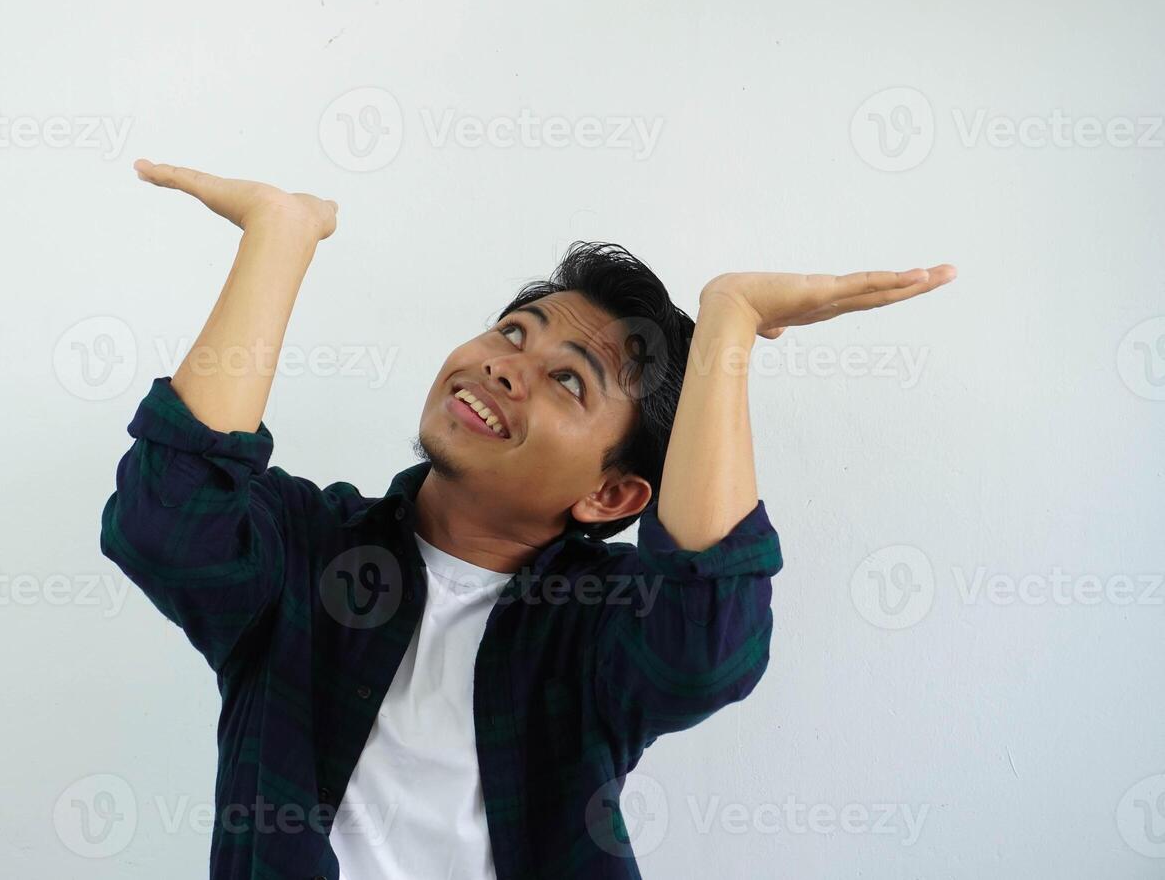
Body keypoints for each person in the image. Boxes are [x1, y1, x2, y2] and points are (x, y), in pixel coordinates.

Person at [99, 160, 956, 879]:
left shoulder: (603, 627)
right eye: (513, 333)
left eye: (569, 379)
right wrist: (278, 239)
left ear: (611, 497)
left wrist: (728, 323)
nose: (507, 368)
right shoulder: (303, 548)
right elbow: (165, 523)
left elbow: (706, 649)